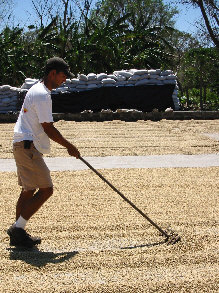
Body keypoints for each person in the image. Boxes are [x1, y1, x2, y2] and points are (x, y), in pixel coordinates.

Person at [7, 57, 80, 248]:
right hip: (27, 146)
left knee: (28, 190)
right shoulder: (42, 95)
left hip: (23, 144)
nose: (64, 80)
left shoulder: (37, 90)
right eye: (63, 76)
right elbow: (48, 127)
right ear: (52, 74)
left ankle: (18, 233)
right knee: (46, 189)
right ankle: (18, 230)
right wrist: (69, 146)